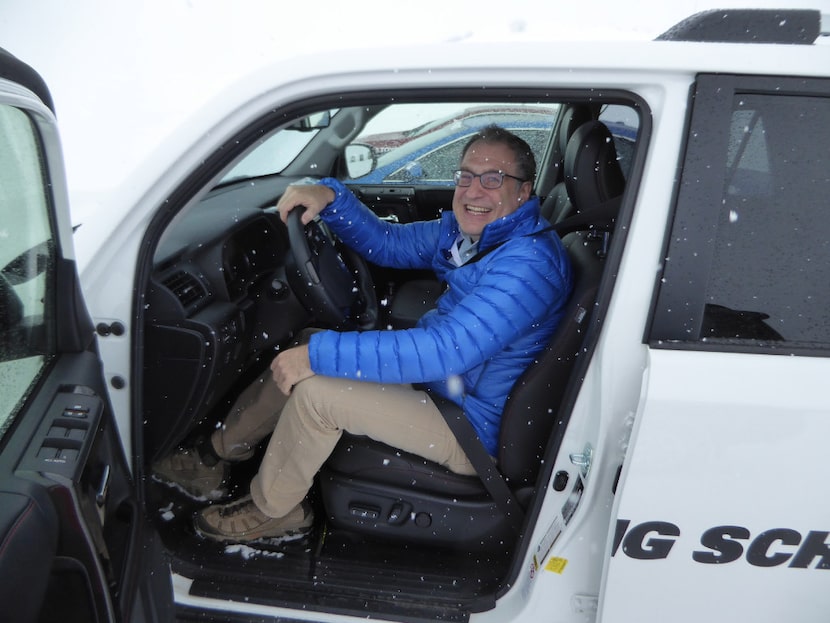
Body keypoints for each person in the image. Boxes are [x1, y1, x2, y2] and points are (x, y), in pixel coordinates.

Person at [153, 125, 573, 543]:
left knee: (317, 394)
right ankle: (216, 454)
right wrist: (331, 198)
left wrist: (318, 357)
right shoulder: (473, 237)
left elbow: (445, 351)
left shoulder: (528, 263)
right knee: (308, 341)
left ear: (523, 190)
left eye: (492, 178)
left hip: (472, 424)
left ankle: (276, 511)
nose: (473, 190)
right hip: (448, 385)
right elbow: (388, 243)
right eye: (465, 175)